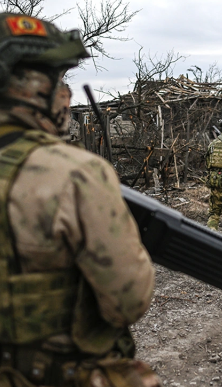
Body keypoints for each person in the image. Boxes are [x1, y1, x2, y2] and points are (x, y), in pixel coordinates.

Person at [0, 13, 160, 387]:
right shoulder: (74, 173)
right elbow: (128, 301)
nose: (67, 95)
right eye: (60, 80)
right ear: (29, 88)